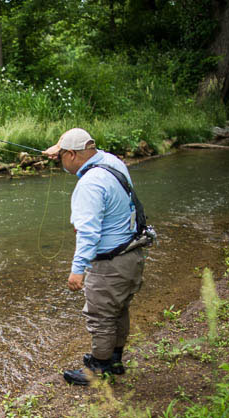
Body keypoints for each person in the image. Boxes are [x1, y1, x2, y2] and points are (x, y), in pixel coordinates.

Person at [43, 128, 146, 386]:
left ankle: (99, 370)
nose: (59, 163)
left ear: (71, 154)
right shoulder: (111, 161)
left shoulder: (89, 184)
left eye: (61, 157)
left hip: (110, 264)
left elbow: (88, 233)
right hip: (132, 255)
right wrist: (58, 148)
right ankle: (114, 360)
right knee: (118, 310)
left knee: (100, 316)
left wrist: (77, 270)